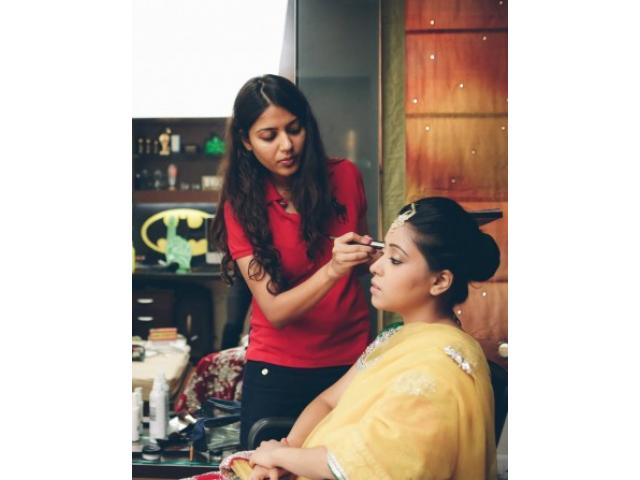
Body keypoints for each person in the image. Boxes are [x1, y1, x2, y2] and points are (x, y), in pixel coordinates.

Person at [239, 197, 501, 480]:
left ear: (439, 282)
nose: (376, 267)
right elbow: (327, 402)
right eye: (382, 252)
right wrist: (286, 452)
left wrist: (278, 455)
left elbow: (369, 465)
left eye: (395, 259)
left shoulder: (438, 367)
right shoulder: (395, 337)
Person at [210, 74, 377, 449]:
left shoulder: (345, 176)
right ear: (246, 141)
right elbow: (275, 310)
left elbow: (360, 263)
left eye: (295, 129)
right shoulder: (241, 205)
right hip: (278, 369)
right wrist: (333, 268)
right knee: (266, 468)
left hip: (350, 361)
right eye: (268, 136)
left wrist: (382, 254)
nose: (286, 145)